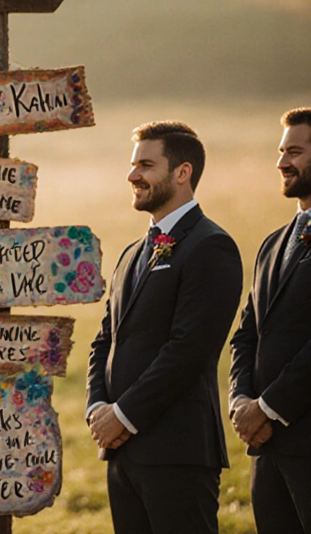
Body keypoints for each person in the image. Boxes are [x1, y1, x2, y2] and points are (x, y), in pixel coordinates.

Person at [86, 121, 242, 534]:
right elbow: (105, 339)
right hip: (121, 454)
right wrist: (97, 408)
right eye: (133, 164)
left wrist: (123, 415)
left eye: (146, 165)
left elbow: (188, 351)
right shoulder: (132, 252)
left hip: (178, 452)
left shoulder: (211, 246)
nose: (132, 175)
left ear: (182, 173)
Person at [229, 107, 311, 534]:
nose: (281, 163)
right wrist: (241, 402)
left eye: (294, 152)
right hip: (266, 449)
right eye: (281, 151)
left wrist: (269, 407)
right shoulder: (272, 243)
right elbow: (246, 335)